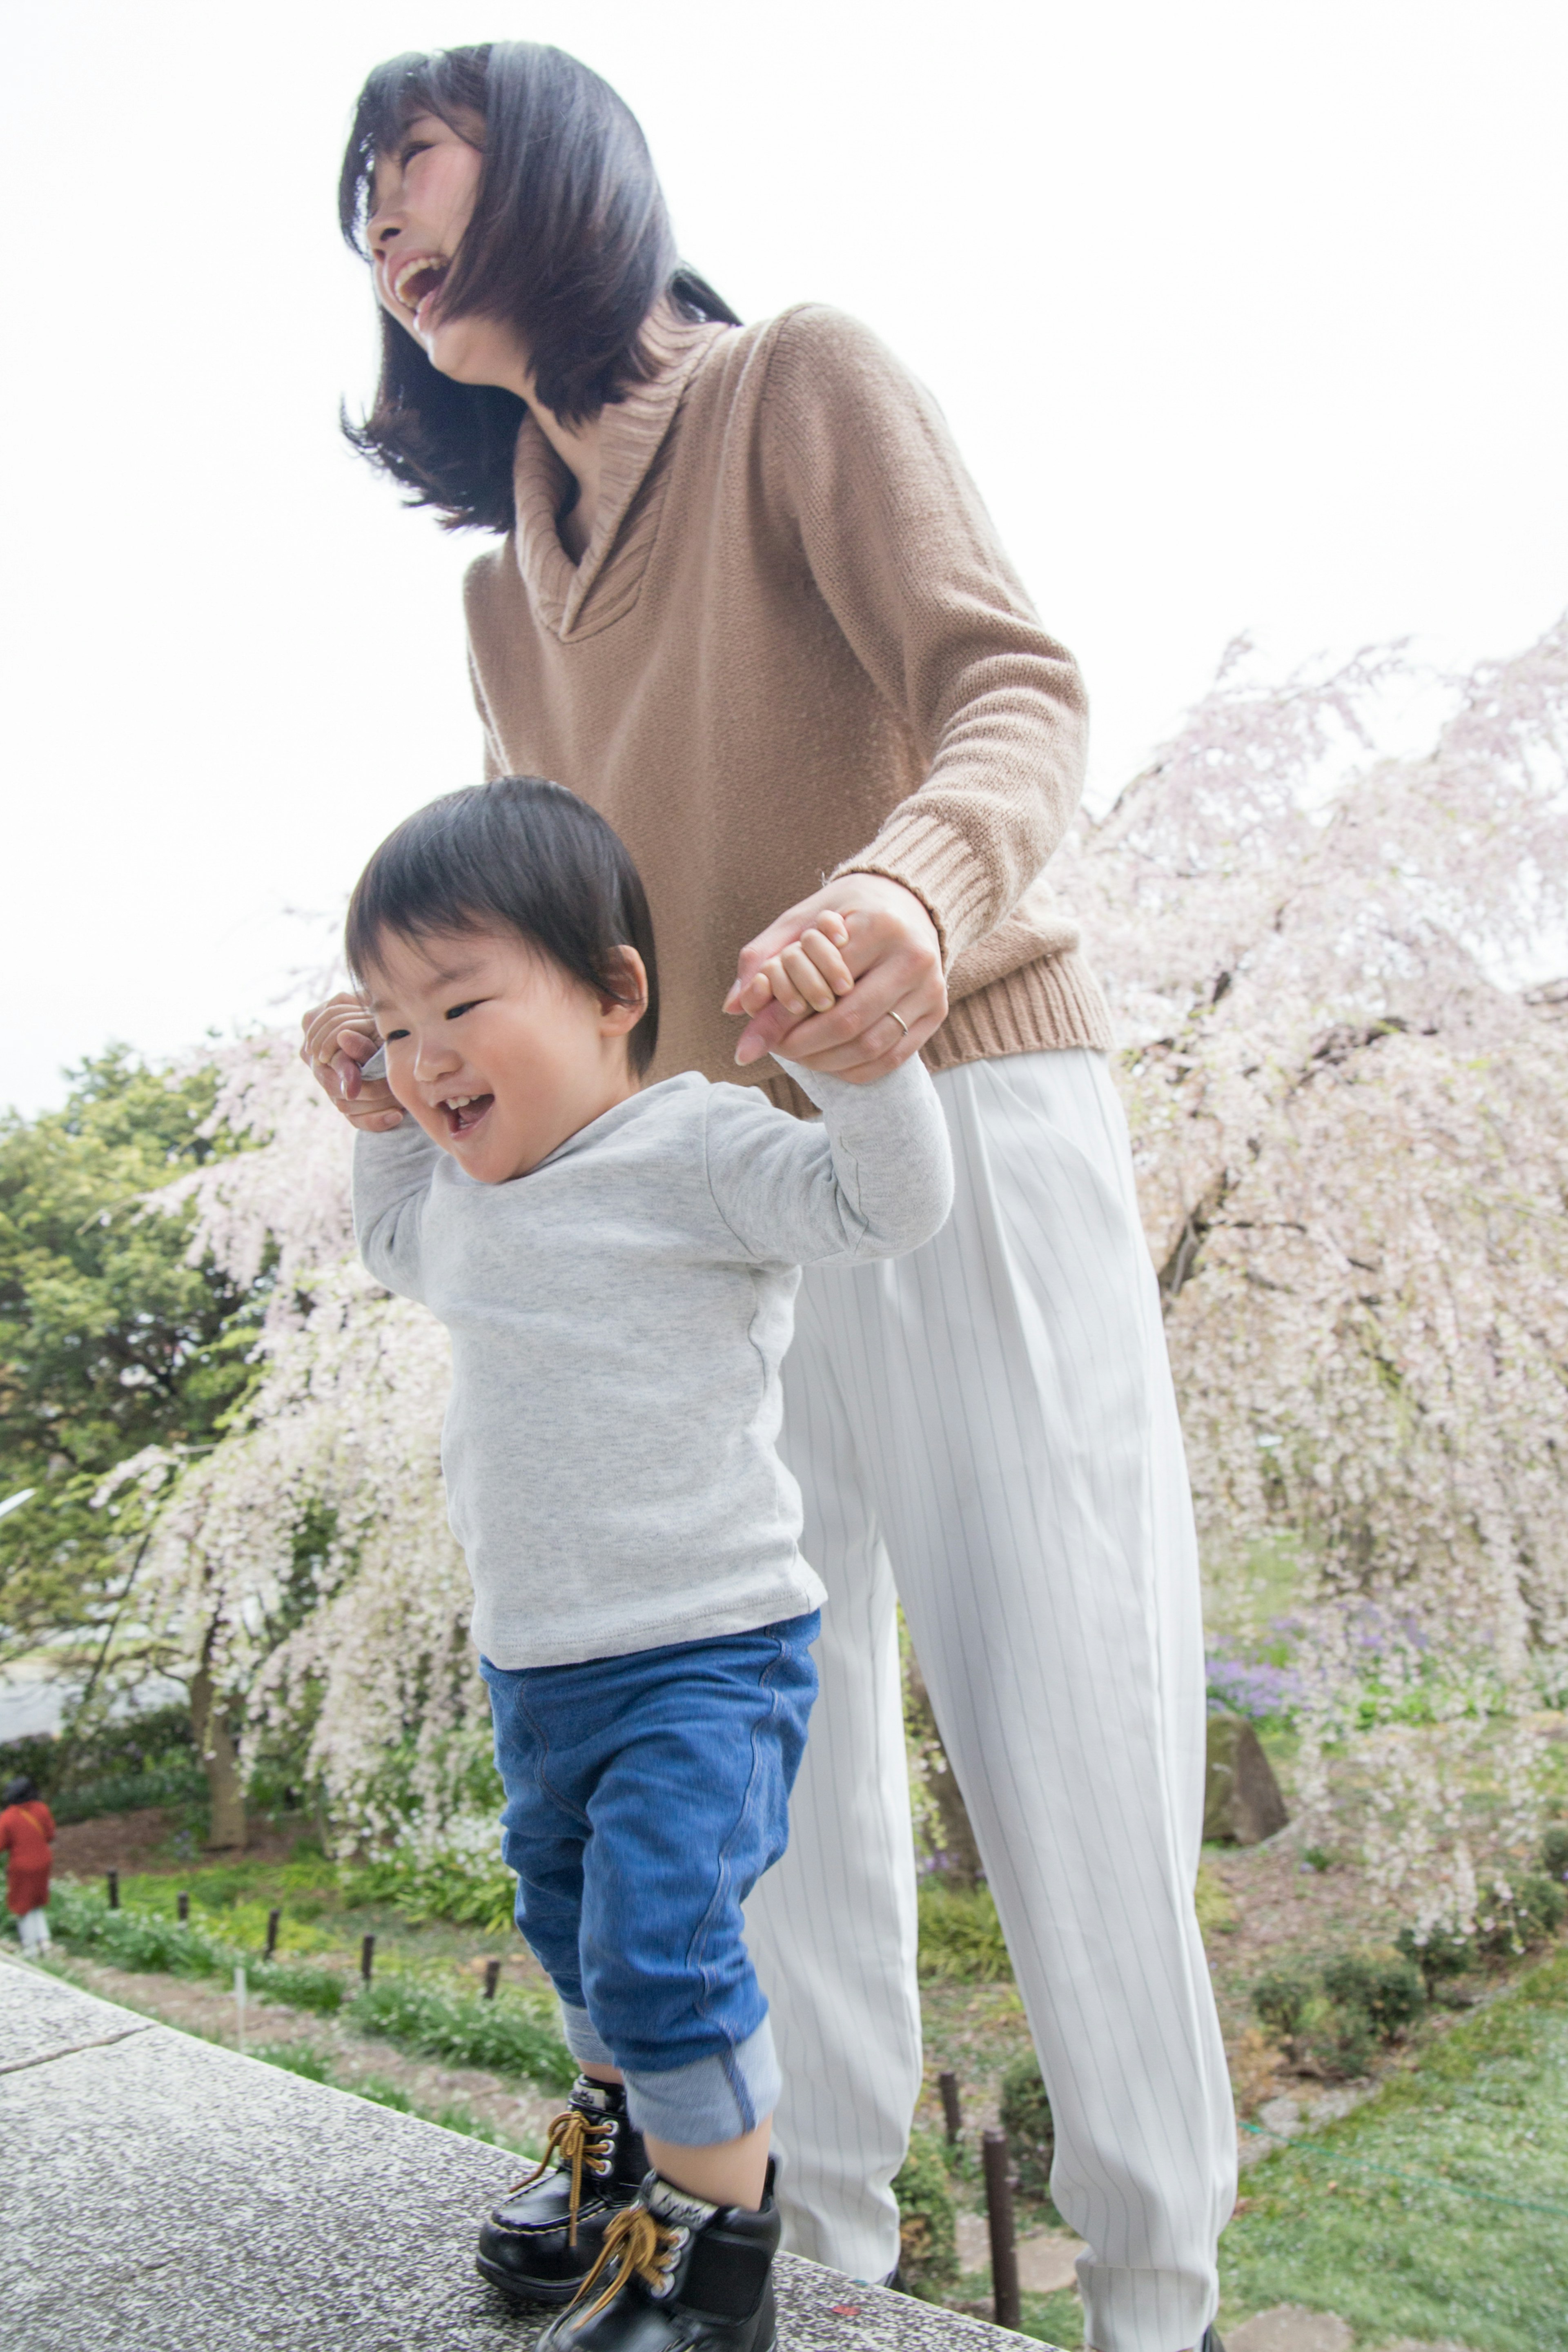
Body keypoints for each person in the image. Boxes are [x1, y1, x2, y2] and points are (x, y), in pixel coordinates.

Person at [315, 42, 1236, 2352]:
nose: (374, 226)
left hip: (958, 1116)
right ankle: (809, 2252)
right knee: (768, 1722)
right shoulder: (503, 596)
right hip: (696, 1202)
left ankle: (1154, 2286)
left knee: (1064, 1697)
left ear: (542, 164)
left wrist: (911, 901)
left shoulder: (792, 381)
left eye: (398, 166)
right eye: (350, 209)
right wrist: (416, 1040)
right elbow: (564, 935)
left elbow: (1006, 686)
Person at [303, 777, 953, 2352]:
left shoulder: (699, 1145)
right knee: (570, 1922)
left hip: (703, 1648)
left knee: (661, 1944)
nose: (425, 1051)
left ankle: (708, 2278)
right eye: (392, 1025)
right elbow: (390, 1241)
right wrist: (384, 1131)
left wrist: (843, 1063)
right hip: (538, 1654)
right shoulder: (469, 1201)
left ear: (613, 992)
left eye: (459, 1003)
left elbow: (890, 1202)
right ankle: (610, 2167)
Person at [1, 1774, 56, 1954]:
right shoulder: (42, 1809)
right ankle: (45, 1941)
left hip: (22, 1866)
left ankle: (30, 1947)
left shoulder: (8, 1817)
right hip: (44, 1862)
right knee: (37, 1902)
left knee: (22, 1905)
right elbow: (50, 1835)